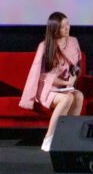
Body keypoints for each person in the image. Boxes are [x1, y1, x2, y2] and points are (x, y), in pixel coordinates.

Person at [19, 12, 84, 152]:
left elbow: (77, 65)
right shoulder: (45, 46)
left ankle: (69, 137)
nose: (67, 28)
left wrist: (74, 77)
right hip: (48, 87)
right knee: (67, 99)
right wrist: (66, 83)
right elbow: (42, 75)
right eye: (63, 27)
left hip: (66, 86)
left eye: (68, 24)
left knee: (79, 96)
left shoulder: (73, 41)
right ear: (55, 29)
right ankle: (49, 138)